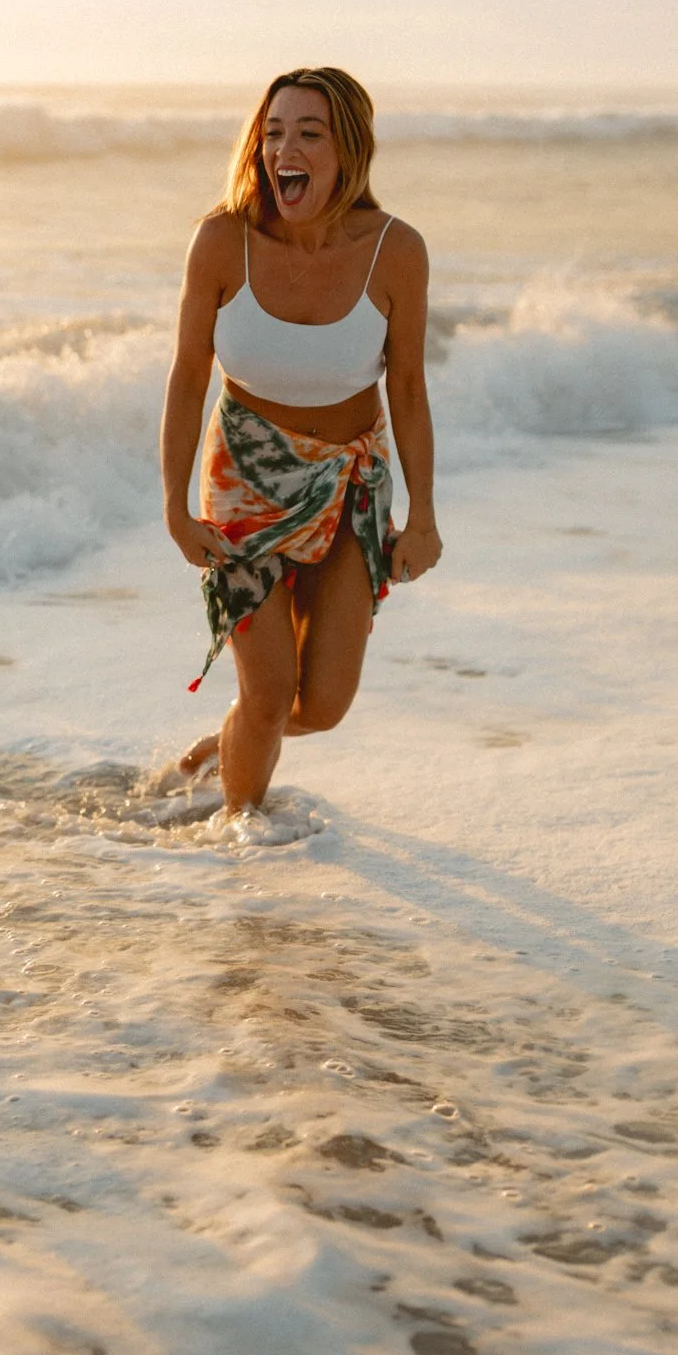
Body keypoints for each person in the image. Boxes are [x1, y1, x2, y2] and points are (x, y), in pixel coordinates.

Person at [161, 68, 441, 820]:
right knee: (265, 694)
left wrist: (422, 516)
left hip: (351, 485)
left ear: (347, 149)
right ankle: (238, 844)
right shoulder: (222, 241)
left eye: (308, 133)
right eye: (274, 132)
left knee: (319, 705)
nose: (285, 148)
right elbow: (188, 378)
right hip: (244, 486)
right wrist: (173, 506)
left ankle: (226, 743)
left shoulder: (396, 251)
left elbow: (407, 391)